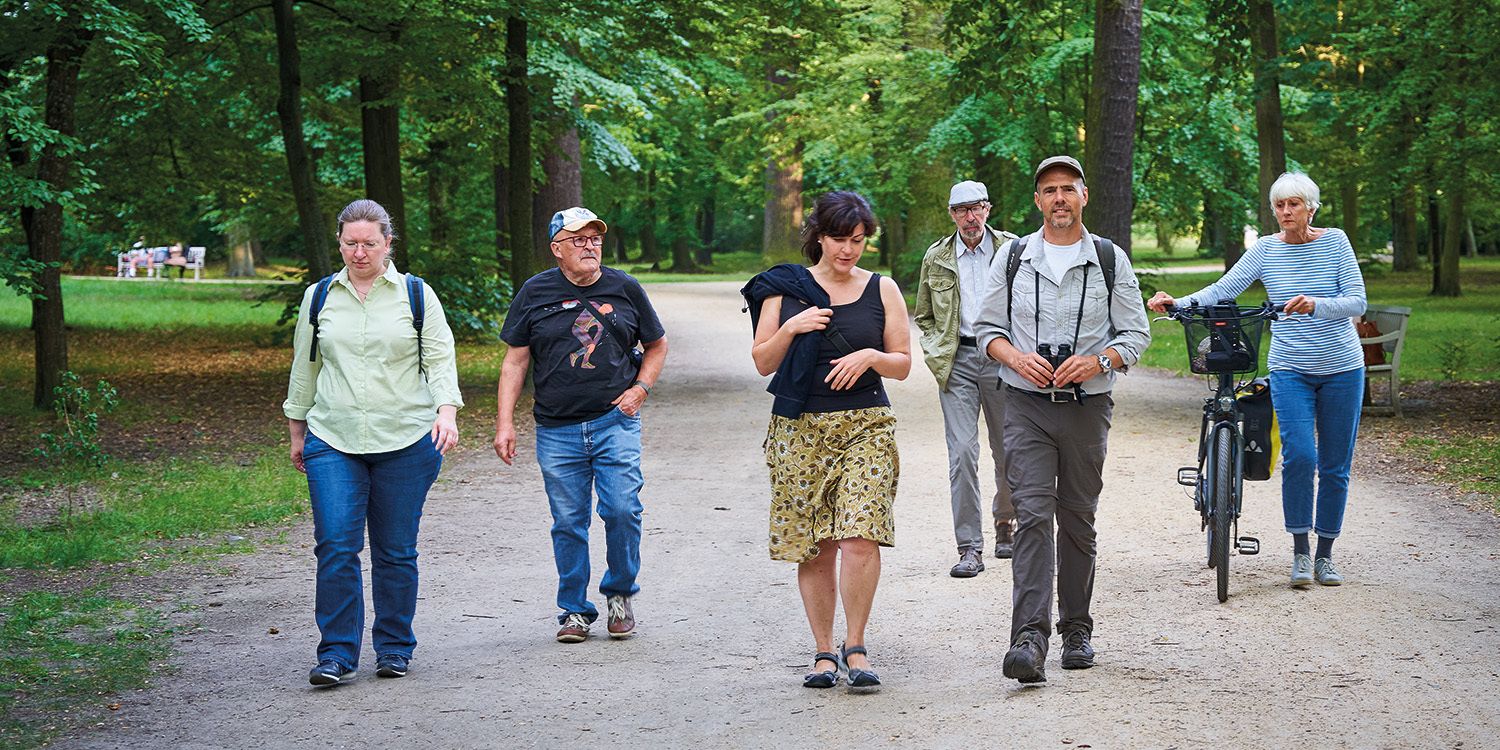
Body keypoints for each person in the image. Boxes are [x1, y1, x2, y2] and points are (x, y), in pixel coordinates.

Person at [976, 155, 1151, 684]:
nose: (1058, 199)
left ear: (1084, 196)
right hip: (1024, 405)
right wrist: (1014, 357)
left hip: (1086, 406)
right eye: (1049, 190)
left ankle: (1077, 628)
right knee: (1031, 516)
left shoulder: (1108, 258)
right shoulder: (1012, 258)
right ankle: (1029, 638)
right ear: (1037, 201)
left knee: (1077, 519)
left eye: (1067, 189)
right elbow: (986, 330)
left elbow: (1136, 335)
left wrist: (1098, 361)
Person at [1148, 171, 1366, 589]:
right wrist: (1179, 303)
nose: (1285, 212)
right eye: (1279, 206)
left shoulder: (1335, 242)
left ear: (1311, 208)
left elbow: (1358, 300)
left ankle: (1326, 556)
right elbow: (1224, 287)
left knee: (1336, 466)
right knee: (1300, 456)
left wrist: (1317, 305)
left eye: (1294, 204)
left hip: (1342, 368)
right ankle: (1301, 551)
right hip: (1289, 369)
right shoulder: (1265, 250)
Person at [284, 198, 463, 686]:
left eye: (369, 243)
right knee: (336, 546)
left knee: (395, 549)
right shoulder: (319, 297)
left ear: (388, 243)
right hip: (333, 436)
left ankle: (393, 648)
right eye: (350, 243)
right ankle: (337, 654)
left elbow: (440, 360)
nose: (359, 252)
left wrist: (446, 411)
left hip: (406, 437)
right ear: (339, 243)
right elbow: (306, 365)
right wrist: (297, 428)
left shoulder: (416, 295)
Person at [741, 191, 911, 690]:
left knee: (860, 535)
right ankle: (822, 651)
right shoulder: (783, 290)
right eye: (839, 239)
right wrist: (791, 327)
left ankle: (855, 646)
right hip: (799, 428)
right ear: (818, 235)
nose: (848, 250)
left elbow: (902, 362)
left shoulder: (883, 289)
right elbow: (762, 362)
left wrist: (870, 358)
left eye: (858, 241)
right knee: (815, 548)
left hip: (866, 424)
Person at [494, 206, 667, 644]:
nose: (590, 246)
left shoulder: (625, 287)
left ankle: (620, 595)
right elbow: (515, 361)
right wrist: (504, 424)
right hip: (556, 429)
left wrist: (640, 389)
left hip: (615, 421)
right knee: (568, 521)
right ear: (557, 249)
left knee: (622, 510)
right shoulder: (534, 292)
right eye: (578, 239)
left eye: (595, 239)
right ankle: (574, 610)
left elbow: (657, 344)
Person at [914, 180, 1018, 577]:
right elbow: (924, 313)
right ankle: (969, 547)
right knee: (961, 453)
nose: (970, 217)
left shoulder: (1013, 249)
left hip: (1002, 358)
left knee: (1009, 450)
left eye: (976, 208)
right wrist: (935, 348)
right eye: (961, 210)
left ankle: (1006, 523)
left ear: (987, 209)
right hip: (956, 360)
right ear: (951, 214)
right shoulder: (936, 256)